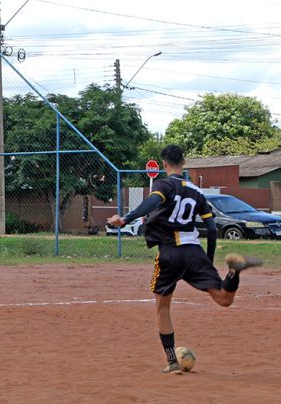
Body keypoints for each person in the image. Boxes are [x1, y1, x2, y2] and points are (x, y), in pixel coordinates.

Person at [106, 144, 262, 374]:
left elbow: (153, 202)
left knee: (162, 307)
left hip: (170, 252)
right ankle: (233, 272)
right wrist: (208, 260)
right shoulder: (196, 192)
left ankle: (172, 361)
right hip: (194, 250)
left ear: (164, 164)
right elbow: (210, 226)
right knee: (223, 299)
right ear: (184, 163)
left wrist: (127, 218)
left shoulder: (163, 185)